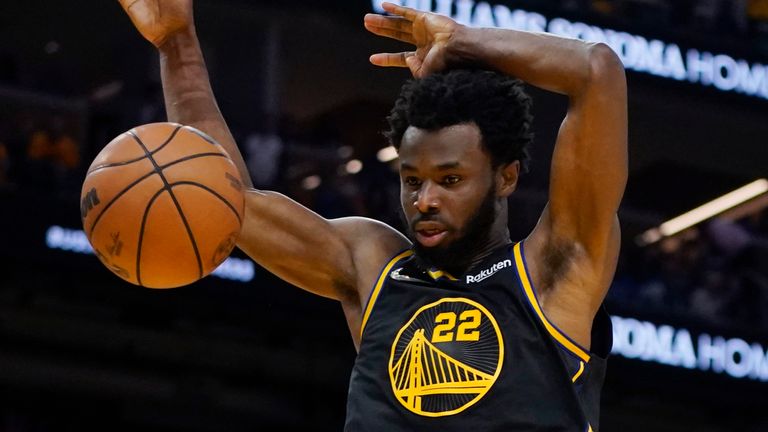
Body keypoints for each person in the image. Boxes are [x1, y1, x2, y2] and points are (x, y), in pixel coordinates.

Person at [118, 0, 627, 430]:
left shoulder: (555, 267)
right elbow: (220, 196)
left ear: (506, 177)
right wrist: (176, 42)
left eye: (450, 180)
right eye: (412, 180)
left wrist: (466, 43)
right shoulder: (374, 265)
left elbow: (595, 71)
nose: (425, 200)